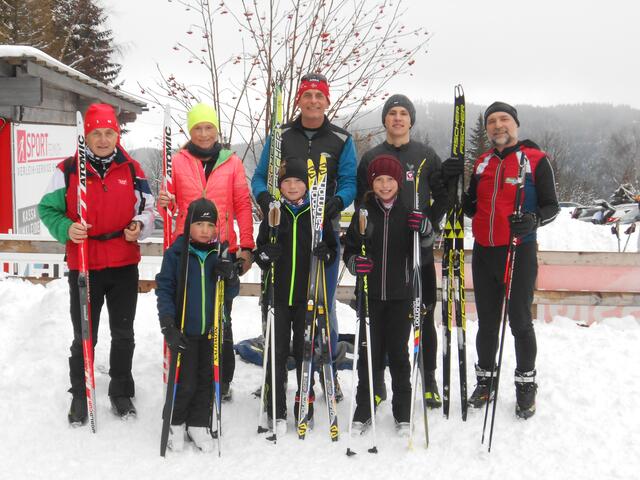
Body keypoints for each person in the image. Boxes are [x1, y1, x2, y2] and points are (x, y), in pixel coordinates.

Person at [38, 103, 155, 424]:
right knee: (85, 334)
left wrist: (138, 226)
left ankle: (120, 390)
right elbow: (47, 209)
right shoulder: (68, 170)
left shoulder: (131, 169)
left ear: (117, 134)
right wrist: (66, 228)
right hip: (84, 264)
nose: (103, 140)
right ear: (85, 136)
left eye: (109, 133)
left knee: (123, 331)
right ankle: (80, 391)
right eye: (96, 133)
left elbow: (148, 208)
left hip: (122, 262)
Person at [443, 101, 559, 419]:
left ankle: (525, 385)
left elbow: (552, 205)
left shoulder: (535, 159)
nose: (497, 125)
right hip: (484, 252)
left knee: (520, 321)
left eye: (503, 119)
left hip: (519, 249)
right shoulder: (481, 163)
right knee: (487, 322)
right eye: (492, 121)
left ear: (515, 124)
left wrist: (534, 219)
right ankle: (486, 381)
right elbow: (470, 207)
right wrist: (453, 184)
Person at [251, 73, 357, 400]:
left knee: (322, 305)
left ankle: (326, 371)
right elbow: (259, 178)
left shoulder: (341, 139)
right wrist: (266, 199)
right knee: (276, 302)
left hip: (322, 231)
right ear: (299, 100)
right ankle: (275, 371)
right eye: (307, 95)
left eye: (319, 96)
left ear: (327, 101)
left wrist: (335, 204)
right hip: (282, 230)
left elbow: (350, 180)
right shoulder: (280, 136)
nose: (313, 101)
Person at [157, 103, 255, 401]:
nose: (203, 133)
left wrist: (246, 247)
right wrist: (166, 202)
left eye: (208, 127)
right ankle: (188, 375)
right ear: (190, 130)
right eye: (197, 127)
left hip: (220, 249)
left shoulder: (232, 163)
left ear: (216, 130)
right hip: (185, 248)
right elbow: (171, 207)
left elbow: (242, 204)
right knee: (189, 312)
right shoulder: (178, 161)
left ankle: (221, 379)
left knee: (220, 316)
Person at [357, 94, 448, 408]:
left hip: (416, 254)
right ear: (385, 120)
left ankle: (429, 379)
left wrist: (428, 224)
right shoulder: (371, 157)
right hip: (381, 257)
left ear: (411, 120)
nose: (397, 118)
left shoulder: (425, 155)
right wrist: (362, 239)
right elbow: (361, 202)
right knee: (380, 323)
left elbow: (443, 195)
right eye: (392, 113)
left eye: (403, 113)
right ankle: (378, 381)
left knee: (423, 316)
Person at [344, 154, 434, 436]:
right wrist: (354, 264)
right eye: (379, 180)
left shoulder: (408, 213)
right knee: (368, 354)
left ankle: (403, 411)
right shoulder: (363, 213)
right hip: (370, 296)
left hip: (400, 295)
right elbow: (349, 249)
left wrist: (425, 228)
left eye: (390, 180)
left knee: (398, 354)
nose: (385, 185)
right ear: (372, 183)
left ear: (398, 183)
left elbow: (425, 246)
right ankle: (364, 406)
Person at [253, 159, 338, 433]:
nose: (292, 186)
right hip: (277, 295)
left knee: (305, 352)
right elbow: (260, 253)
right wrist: (265, 255)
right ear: (280, 187)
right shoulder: (273, 214)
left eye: (298, 182)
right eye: (287, 182)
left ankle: (305, 402)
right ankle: (275, 407)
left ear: (307, 186)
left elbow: (333, 250)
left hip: (307, 295)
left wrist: (326, 252)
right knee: (276, 351)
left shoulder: (318, 215)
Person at [156, 198, 236, 452]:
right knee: (185, 381)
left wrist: (229, 272)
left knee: (205, 380)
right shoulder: (177, 253)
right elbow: (165, 288)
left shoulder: (220, 254)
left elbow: (230, 292)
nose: (204, 229)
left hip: (211, 332)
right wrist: (168, 323)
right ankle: (176, 422)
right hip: (184, 330)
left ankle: (198, 423)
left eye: (209, 225)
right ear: (188, 224)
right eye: (198, 223)